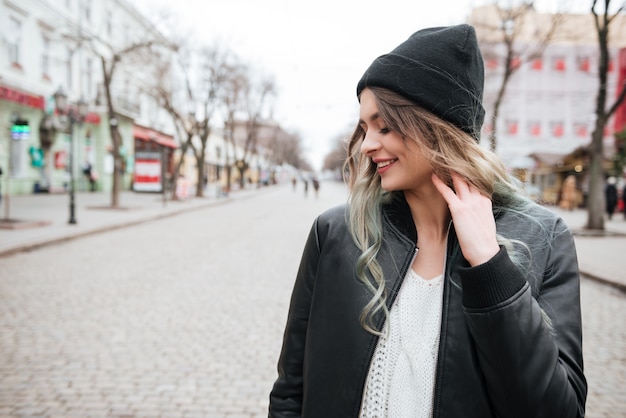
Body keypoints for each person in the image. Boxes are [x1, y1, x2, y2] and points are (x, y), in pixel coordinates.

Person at [269, 24, 586, 417]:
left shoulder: (543, 238)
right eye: (365, 128)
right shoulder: (335, 233)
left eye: (384, 125)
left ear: (437, 127)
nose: (367, 144)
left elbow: (559, 410)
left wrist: (490, 266)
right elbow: (290, 392)